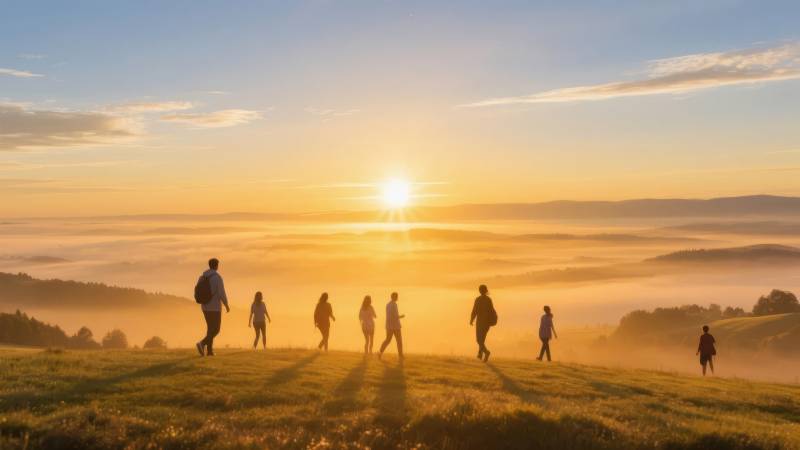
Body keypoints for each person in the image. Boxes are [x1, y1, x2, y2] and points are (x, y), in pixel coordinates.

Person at [196, 258, 229, 356]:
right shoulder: (217, 277)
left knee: (210, 328)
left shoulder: (202, 277)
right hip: (215, 307)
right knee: (216, 329)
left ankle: (209, 351)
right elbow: (221, 293)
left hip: (205, 306)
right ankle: (202, 343)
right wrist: (226, 304)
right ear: (216, 266)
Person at [470, 284, 497, 362]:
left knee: (479, 340)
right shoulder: (489, 299)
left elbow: (474, 310)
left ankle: (486, 352)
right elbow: (492, 310)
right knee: (482, 339)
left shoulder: (478, 299)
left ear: (480, 291)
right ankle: (480, 354)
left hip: (480, 322)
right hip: (487, 323)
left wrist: (471, 319)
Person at [378, 292, 405, 360]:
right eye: (396, 296)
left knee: (388, 340)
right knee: (399, 341)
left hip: (389, 325)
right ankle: (400, 355)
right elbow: (395, 316)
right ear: (394, 297)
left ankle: (380, 352)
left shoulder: (388, 304)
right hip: (395, 326)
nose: (397, 298)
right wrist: (401, 316)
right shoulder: (394, 305)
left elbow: (390, 316)